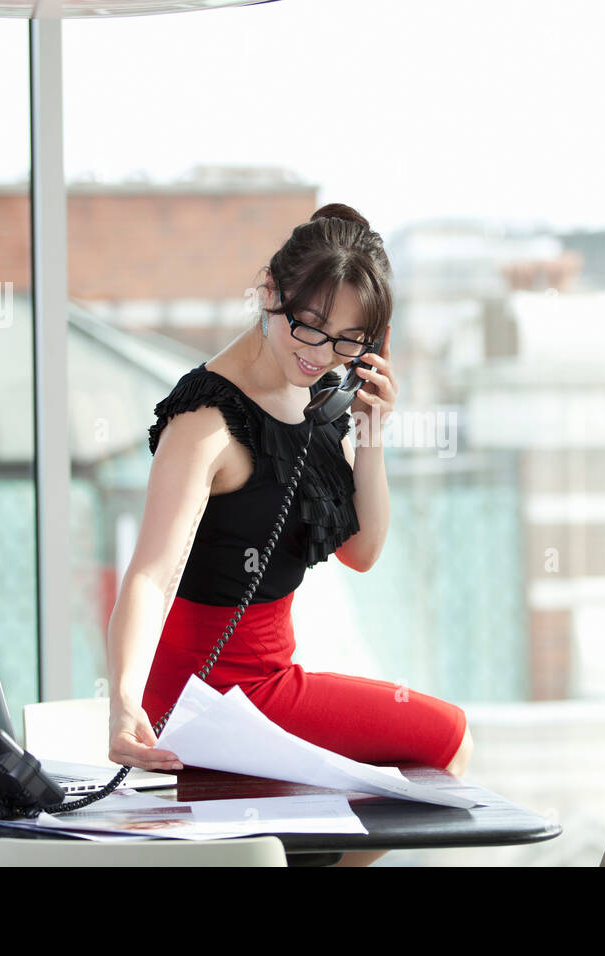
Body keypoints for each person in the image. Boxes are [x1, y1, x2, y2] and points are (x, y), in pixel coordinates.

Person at [105, 203, 473, 867]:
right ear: (270, 292)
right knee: (448, 737)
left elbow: (363, 551)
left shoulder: (322, 398)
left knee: (436, 748)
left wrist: (371, 433)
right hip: (214, 694)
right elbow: (150, 575)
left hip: (268, 679)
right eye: (310, 327)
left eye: (348, 341)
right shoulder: (207, 422)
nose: (321, 354)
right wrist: (123, 699)